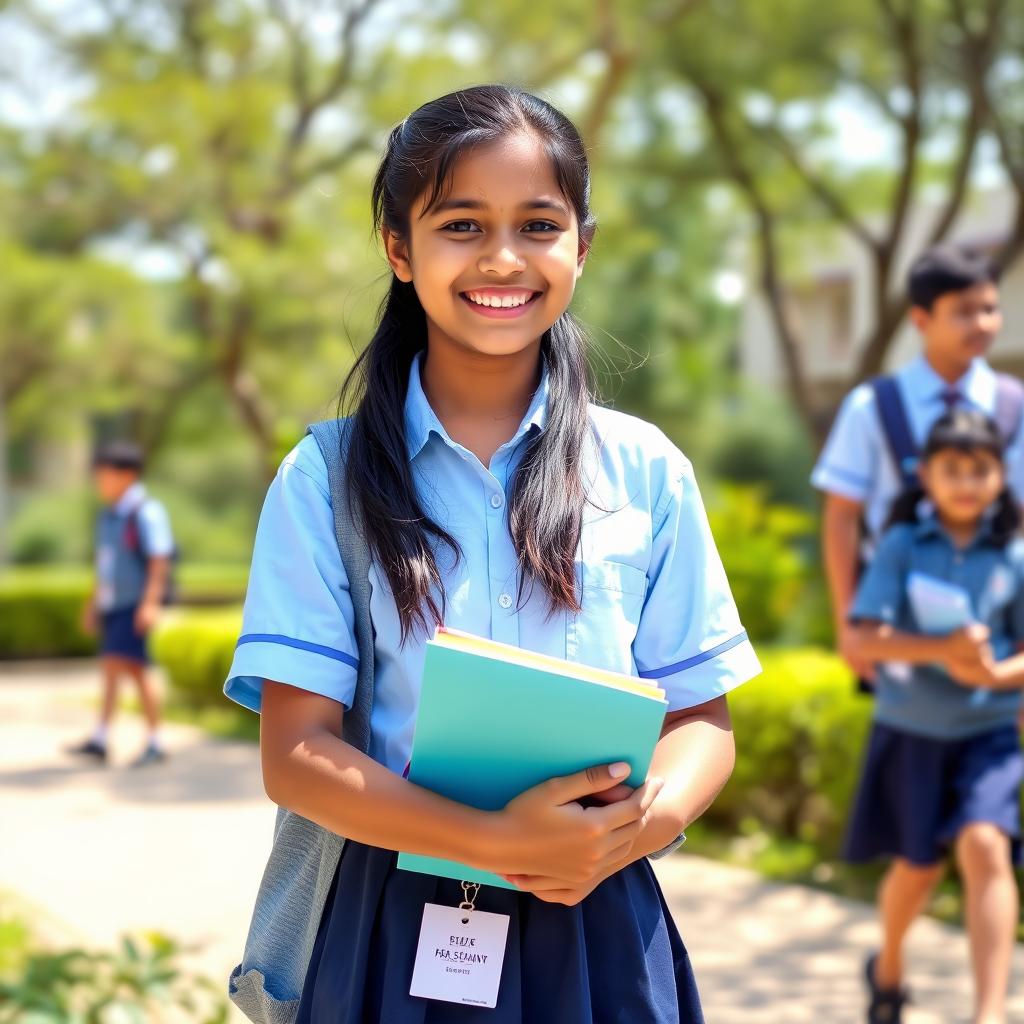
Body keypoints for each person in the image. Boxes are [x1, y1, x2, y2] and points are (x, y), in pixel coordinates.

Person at [223, 85, 761, 1023]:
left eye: (539, 224)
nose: (503, 259)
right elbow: (297, 754)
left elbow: (702, 722)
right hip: (390, 922)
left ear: (582, 246)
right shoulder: (324, 480)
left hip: (599, 917)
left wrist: (632, 834)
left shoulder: (647, 472)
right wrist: (487, 838)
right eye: (462, 224)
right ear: (401, 249)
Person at [845, 409, 1024, 1024]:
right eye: (953, 469)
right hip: (911, 729)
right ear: (926, 475)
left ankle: (990, 1012)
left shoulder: (1015, 555)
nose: (967, 482)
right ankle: (888, 963)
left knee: (985, 847)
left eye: (981, 469)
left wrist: (1001, 675)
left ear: (1001, 475)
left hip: (989, 732)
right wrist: (941, 651)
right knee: (916, 868)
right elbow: (866, 639)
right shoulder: (900, 545)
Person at [812, 244, 1024, 687]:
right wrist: (848, 623)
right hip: (895, 631)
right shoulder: (872, 406)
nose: (982, 324)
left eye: (990, 308)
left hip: (998, 627)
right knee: (908, 737)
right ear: (921, 319)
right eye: (964, 311)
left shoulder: (1014, 405)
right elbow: (841, 516)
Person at [69, 440, 174, 768]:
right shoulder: (108, 515)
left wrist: (149, 603)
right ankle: (101, 737)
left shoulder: (145, 511)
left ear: (126, 475)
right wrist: (93, 602)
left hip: (133, 604)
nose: (99, 483)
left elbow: (159, 560)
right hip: (114, 604)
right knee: (113, 669)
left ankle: (155, 740)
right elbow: (106, 564)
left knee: (135, 670)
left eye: (103, 476)